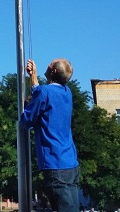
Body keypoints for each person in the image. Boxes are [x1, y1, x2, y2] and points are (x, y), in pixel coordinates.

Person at [21, 58, 79, 212]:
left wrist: (27, 107)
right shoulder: (67, 92)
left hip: (55, 165)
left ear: (53, 71)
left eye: (51, 63)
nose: (48, 63)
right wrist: (33, 76)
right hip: (70, 164)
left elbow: (27, 120)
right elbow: (42, 95)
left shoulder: (45, 93)